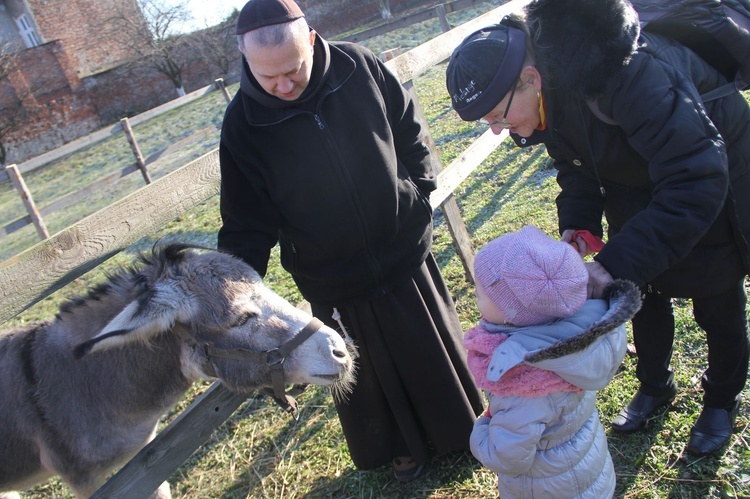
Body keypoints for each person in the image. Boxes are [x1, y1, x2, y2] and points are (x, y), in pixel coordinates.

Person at [445, 0, 750, 456]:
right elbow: (575, 163)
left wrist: (612, 263)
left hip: (712, 180)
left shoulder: (626, 73)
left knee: (716, 297)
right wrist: (580, 223)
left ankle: (721, 401)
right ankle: (654, 384)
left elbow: (697, 176)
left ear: (531, 79)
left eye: (496, 116)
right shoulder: (552, 91)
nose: (496, 130)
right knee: (638, 292)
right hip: (638, 182)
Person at [217, 0, 484, 481]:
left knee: (427, 349)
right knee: (369, 374)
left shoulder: (357, 65)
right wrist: (230, 292)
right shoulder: (242, 125)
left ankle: (457, 428)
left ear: (313, 41)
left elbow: (409, 127)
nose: (281, 85)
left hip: (401, 249)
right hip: (331, 275)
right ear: (247, 62)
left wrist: (419, 193)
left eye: (291, 70)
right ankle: (399, 447)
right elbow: (245, 221)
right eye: (266, 76)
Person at [463, 225, 637, 498]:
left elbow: (507, 457)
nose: (474, 294)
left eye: (481, 293)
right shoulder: (572, 341)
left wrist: (482, 431)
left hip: (547, 488)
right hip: (583, 470)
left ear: (512, 315)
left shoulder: (525, 384)